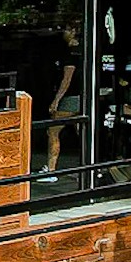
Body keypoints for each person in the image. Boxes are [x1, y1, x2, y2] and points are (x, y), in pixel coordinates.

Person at [46, 20, 82, 176]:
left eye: (66, 30)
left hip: (69, 99)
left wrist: (56, 100)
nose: (63, 33)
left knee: (52, 131)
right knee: (81, 130)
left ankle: (50, 170)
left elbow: (66, 80)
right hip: (82, 97)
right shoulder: (83, 50)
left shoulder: (71, 54)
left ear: (73, 31)